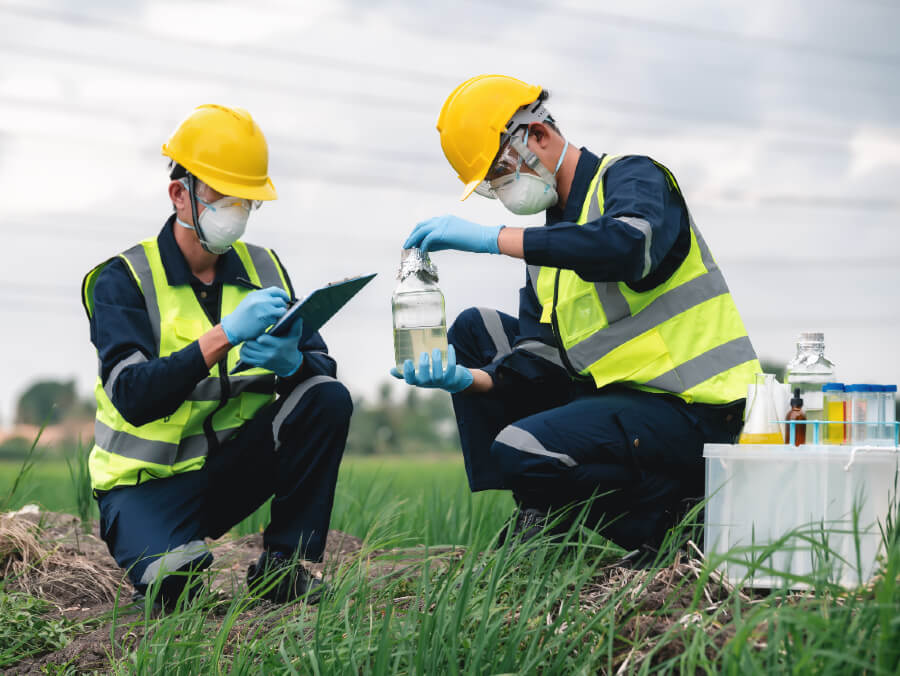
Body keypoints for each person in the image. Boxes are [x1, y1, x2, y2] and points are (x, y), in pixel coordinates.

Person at [393, 75, 760, 562]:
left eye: (503, 171)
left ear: (538, 137)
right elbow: (537, 365)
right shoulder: (545, 249)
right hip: (626, 408)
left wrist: (493, 238)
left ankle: (673, 524)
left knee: (522, 447)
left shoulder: (632, 178)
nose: (504, 190)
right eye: (492, 186)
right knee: (473, 330)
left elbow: (627, 246)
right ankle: (539, 512)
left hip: (701, 413)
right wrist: (467, 380)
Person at [82, 104, 352, 605]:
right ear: (179, 194)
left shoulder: (265, 270)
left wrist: (293, 363)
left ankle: (283, 566)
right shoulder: (124, 280)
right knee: (175, 593)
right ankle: (169, 557)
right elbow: (134, 397)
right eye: (220, 195)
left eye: (246, 200)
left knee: (325, 396)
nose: (236, 210)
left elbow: (324, 377)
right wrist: (222, 336)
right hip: (143, 490)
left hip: (226, 475)